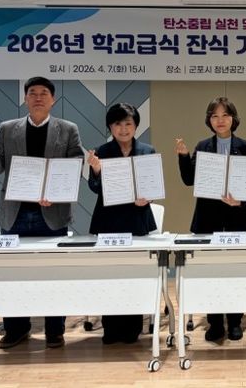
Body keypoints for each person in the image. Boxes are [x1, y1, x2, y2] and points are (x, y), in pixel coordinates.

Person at [0, 76, 84, 350]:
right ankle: (16, 329)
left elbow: (76, 163)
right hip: (14, 214)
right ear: (25, 98)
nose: (38, 97)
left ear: (53, 99)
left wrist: (55, 191)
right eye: (33, 93)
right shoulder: (7, 128)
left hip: (52, 214)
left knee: (54, 274)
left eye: (44, 93)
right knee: (13, 274)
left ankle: (54, 330)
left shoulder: (68, 129)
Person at [175, 97, 246, 342]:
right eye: (215, 116)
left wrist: (240, 201)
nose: (220, 120)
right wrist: (183, 156)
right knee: (210, 272)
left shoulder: (245, 146)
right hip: (208, 218)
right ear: (209, 120)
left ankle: (235, 321)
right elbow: (189, 180)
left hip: (236, 217)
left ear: (233, 119)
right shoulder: (202, 146)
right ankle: (215, 323)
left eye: (225, 115)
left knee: (234, 271)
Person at [87, 103, 157, 344]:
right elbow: (94, 187)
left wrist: (147, 197)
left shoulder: (147, 151)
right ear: (110, 127)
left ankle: (132, 328)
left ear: (136, 126)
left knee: (134, 274)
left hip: (137, 219)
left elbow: (152, 185)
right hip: (109, 221)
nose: (123, 128)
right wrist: (96, 170)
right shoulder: (101, 151)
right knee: (110, 275)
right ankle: (110, 327)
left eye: (128, 123)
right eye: (118, 124)